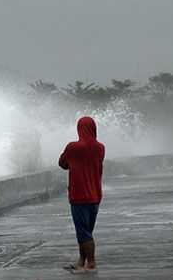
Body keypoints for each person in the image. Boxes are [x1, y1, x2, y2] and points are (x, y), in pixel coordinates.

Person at [59, 116, 105, 274]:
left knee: (83, 232)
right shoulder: (100, 148)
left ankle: (91, 263)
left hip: (79, 196)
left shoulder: (73, 147)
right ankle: (81, 261)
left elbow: (62, 164)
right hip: (95, 196)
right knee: (86, 231)